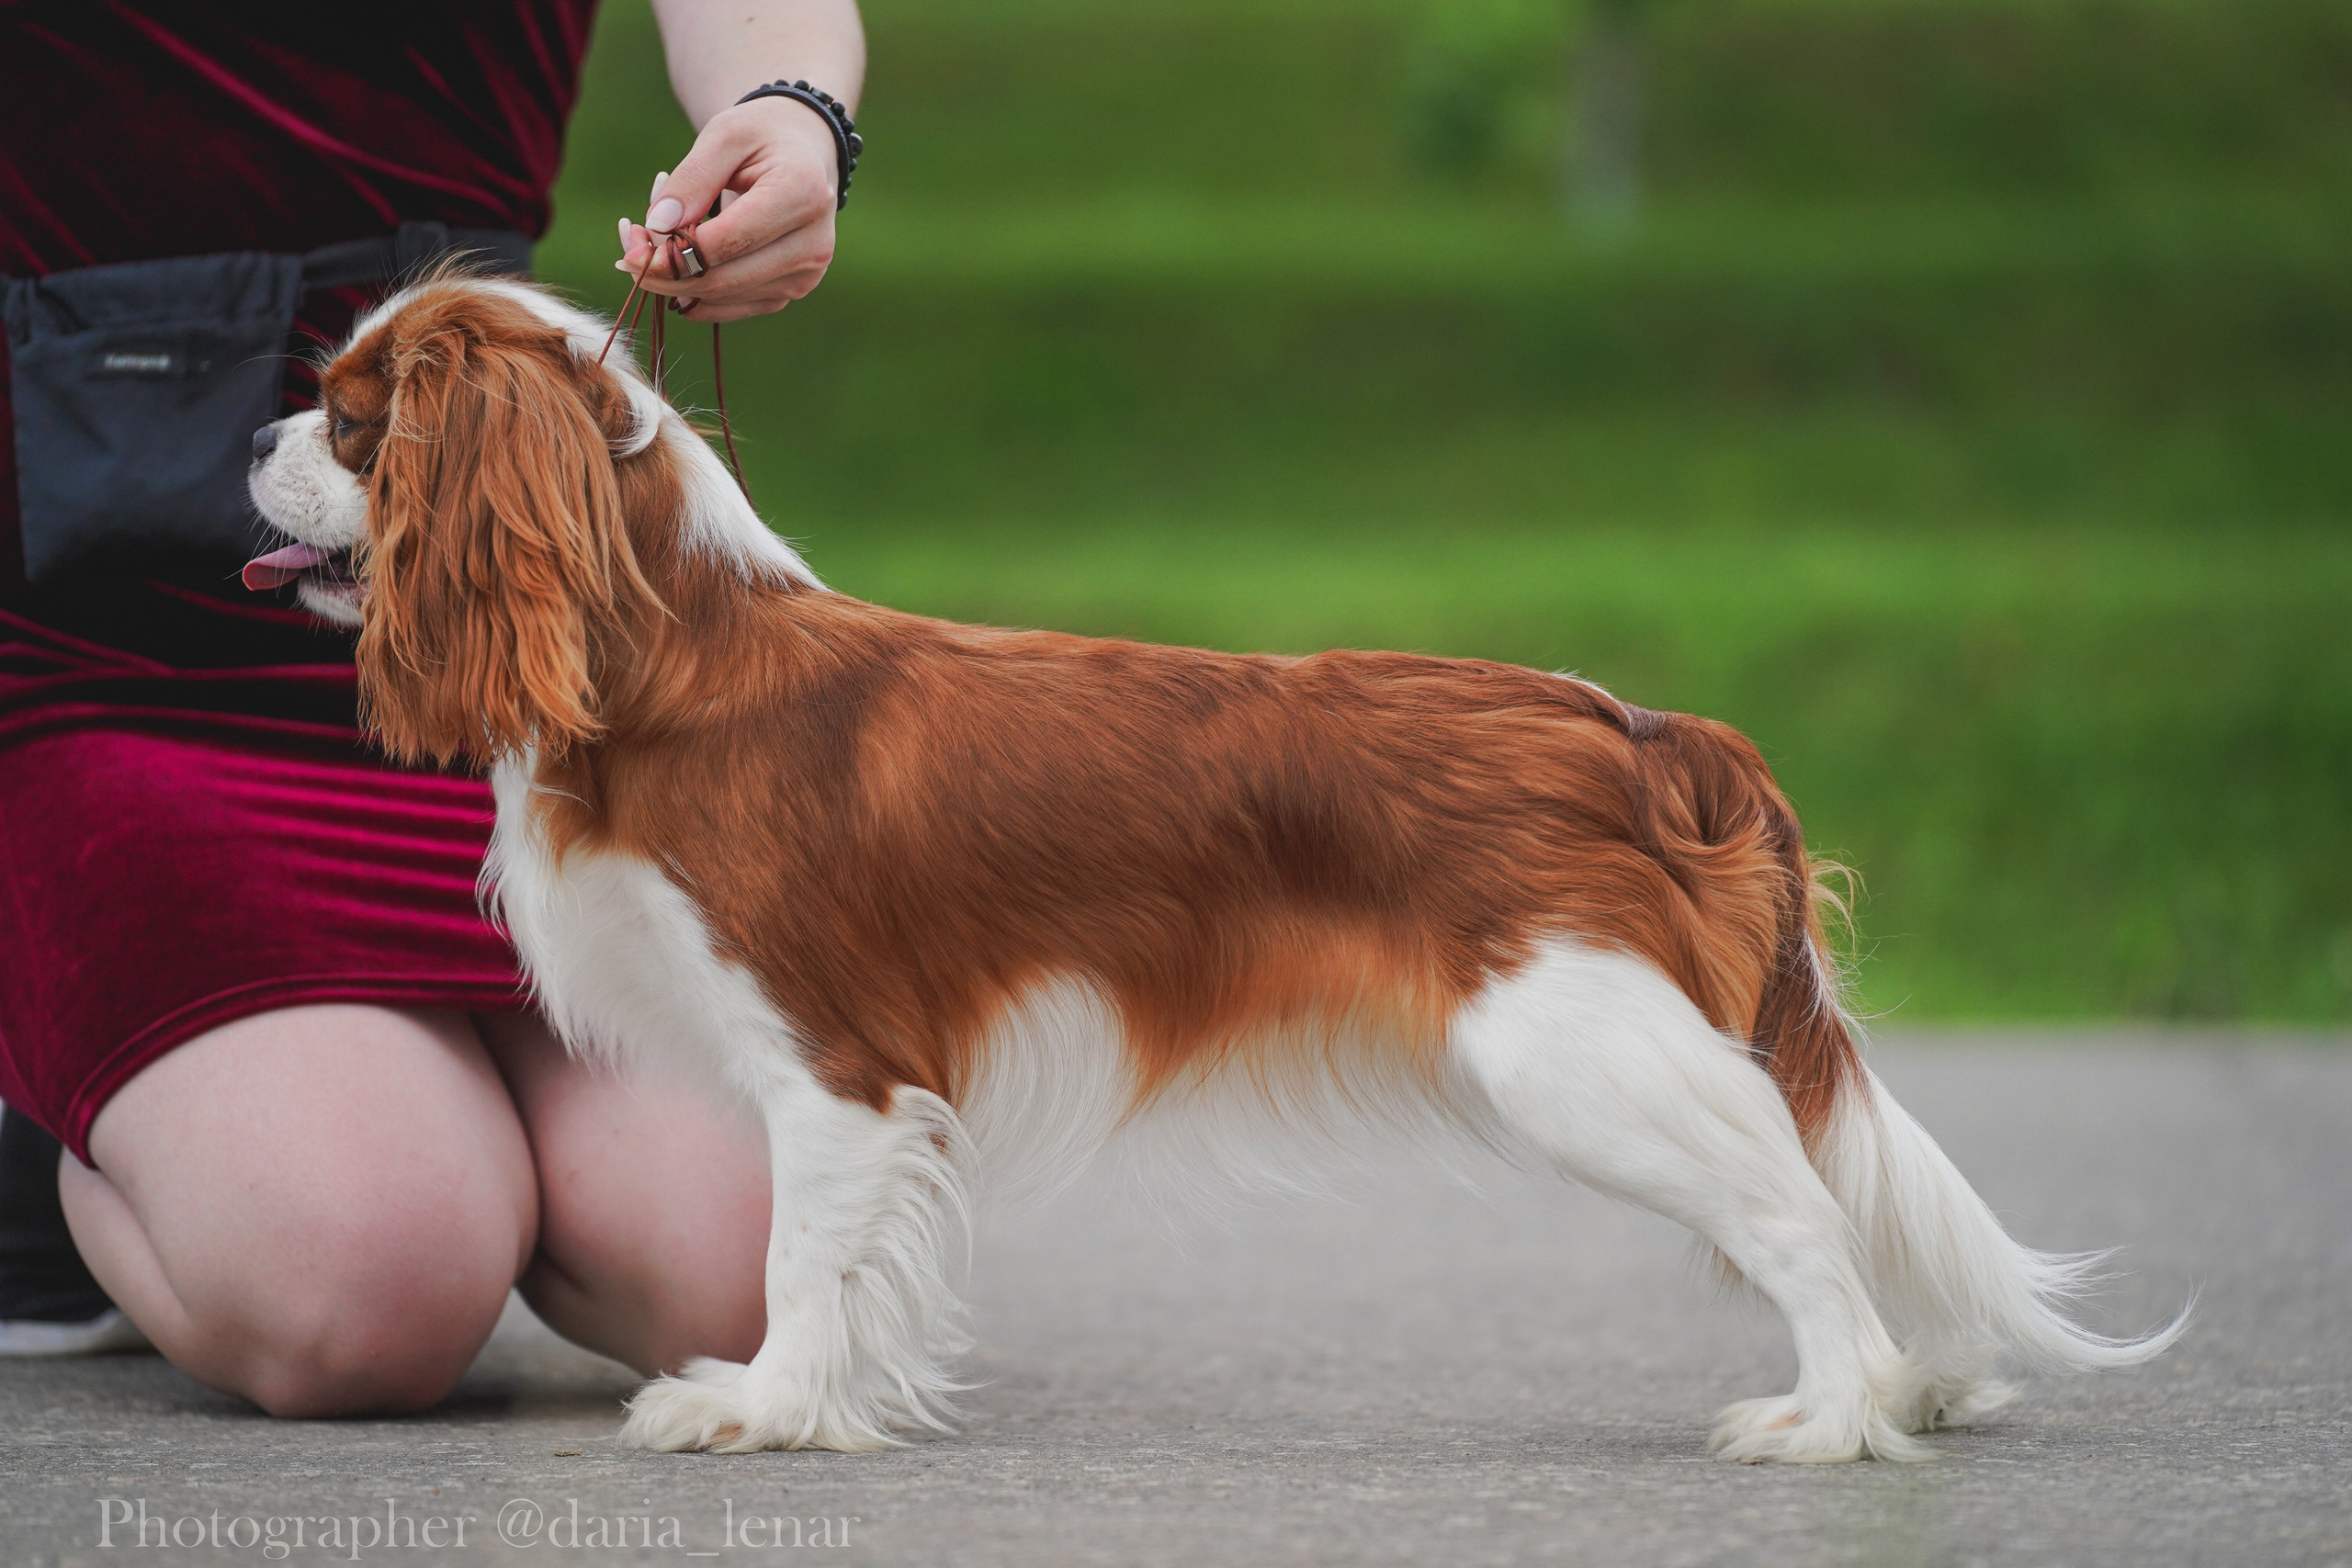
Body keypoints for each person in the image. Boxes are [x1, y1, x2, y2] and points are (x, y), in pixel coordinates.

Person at [0, 0, 857, 1413]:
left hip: (489, 626)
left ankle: (309, 1116)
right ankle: (65, 1110)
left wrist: (797, 108)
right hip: (113, 644)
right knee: (368, 1289)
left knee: (747, 1286)